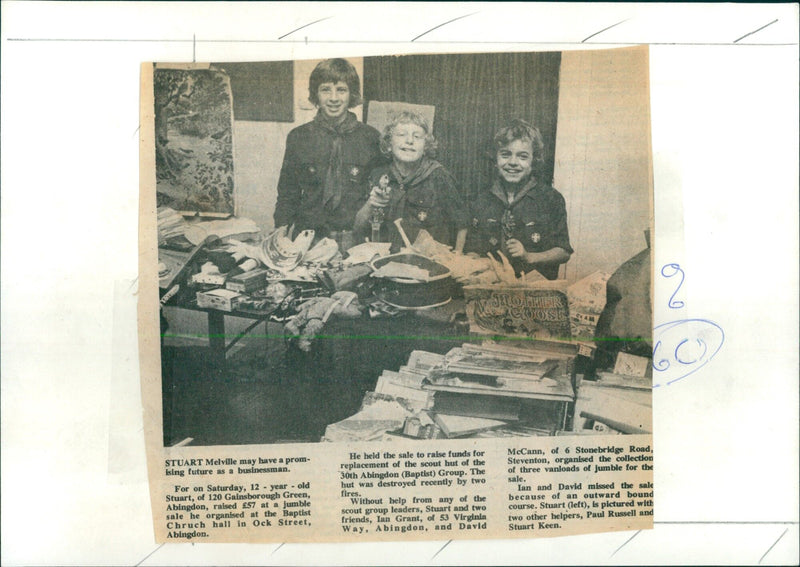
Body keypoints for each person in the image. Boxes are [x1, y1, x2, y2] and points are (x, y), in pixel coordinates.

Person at [274, 59, 380, 250]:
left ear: (351, 94)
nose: (333, 98)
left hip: (354, 242)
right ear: (316, 94)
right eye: (325, 89)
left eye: (341, 89)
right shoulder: (299, 137)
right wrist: (279, 237)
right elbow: (287, 194)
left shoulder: (371, 138)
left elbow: (380, 196)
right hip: (308, 241)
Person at [465, 119, 572, 280]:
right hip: (491, 287)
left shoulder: (551, 199)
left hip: (534, 291)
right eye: (505, 154)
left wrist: (529, 256)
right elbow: (473, 249)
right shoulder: (481, 199)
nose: (513, 163)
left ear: (533, 161)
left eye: (522, 156)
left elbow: (563, 252)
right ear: (495, 159)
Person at [354, 111, 469, 253]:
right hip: (385, 261)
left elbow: (462, 224)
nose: (409, 141)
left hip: (427, 263)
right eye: (401, 135)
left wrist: (457, 258)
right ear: (389, 143)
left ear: (426, 147)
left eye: (417, 136)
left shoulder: (439, 176)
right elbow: (358, 226)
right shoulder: (378, 175)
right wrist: (370, 204)